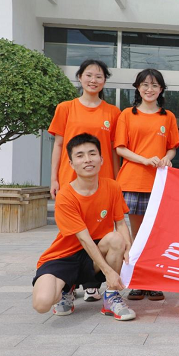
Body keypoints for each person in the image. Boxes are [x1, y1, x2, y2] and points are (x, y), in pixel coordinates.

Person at [32, 133, 136, 321]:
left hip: (95, 253)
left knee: (116, 239)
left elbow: (120, 223)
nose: (87, 159)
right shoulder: (66, 196)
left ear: (101, 159)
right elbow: (84, 238)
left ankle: (111, 296)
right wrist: (109, 272)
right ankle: (66, 288)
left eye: (92, 154)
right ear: (71, 164)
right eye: (80, 155)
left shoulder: (112, 187)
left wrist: (128, 247)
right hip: (64, 256)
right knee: (42, 303)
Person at [48, 59, 121, 302]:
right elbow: (58, 145)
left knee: (101, 231)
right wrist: (54, 179)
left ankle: (92, 283)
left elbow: (113, 151)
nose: (93, 80)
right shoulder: (66, 108)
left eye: (99, 76)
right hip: (70, 181)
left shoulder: (113, 112)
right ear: (80, 77)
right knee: (72, 233)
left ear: (104, 81)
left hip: (102, 182)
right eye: (88, 75)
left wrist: (116, 180)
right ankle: (68, 283)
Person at [114, 69, 179, 301]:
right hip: (133, 181)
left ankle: (153, 281)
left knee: (155, 234)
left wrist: (167, 158)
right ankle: (137, 281)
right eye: (144, 85)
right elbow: (120, 148)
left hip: (159, 183)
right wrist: (143, 160)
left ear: (161, 89)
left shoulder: (167, 117)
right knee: (137, 235)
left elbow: (172, 147)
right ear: (137, 88)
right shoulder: (127, 114)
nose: (149, 89)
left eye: (154, 85)